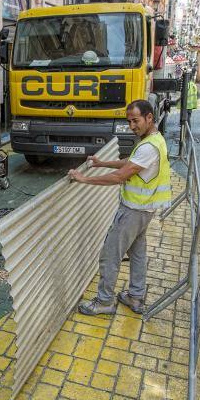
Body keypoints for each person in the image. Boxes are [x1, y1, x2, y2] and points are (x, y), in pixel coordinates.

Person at [67, 100, 171, 315]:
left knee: (110, 255)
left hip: (133, 211)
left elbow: (121, 176)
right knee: (138, 254)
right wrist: (100, 163)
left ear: (149, 117)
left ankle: (105, 301)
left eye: (136, 120)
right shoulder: (154, 139)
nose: (132, 126)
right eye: (129, 121)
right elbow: (130, 163)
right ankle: (135, 296)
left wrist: (84, 179)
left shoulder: (149, 146)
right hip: (145, 210)